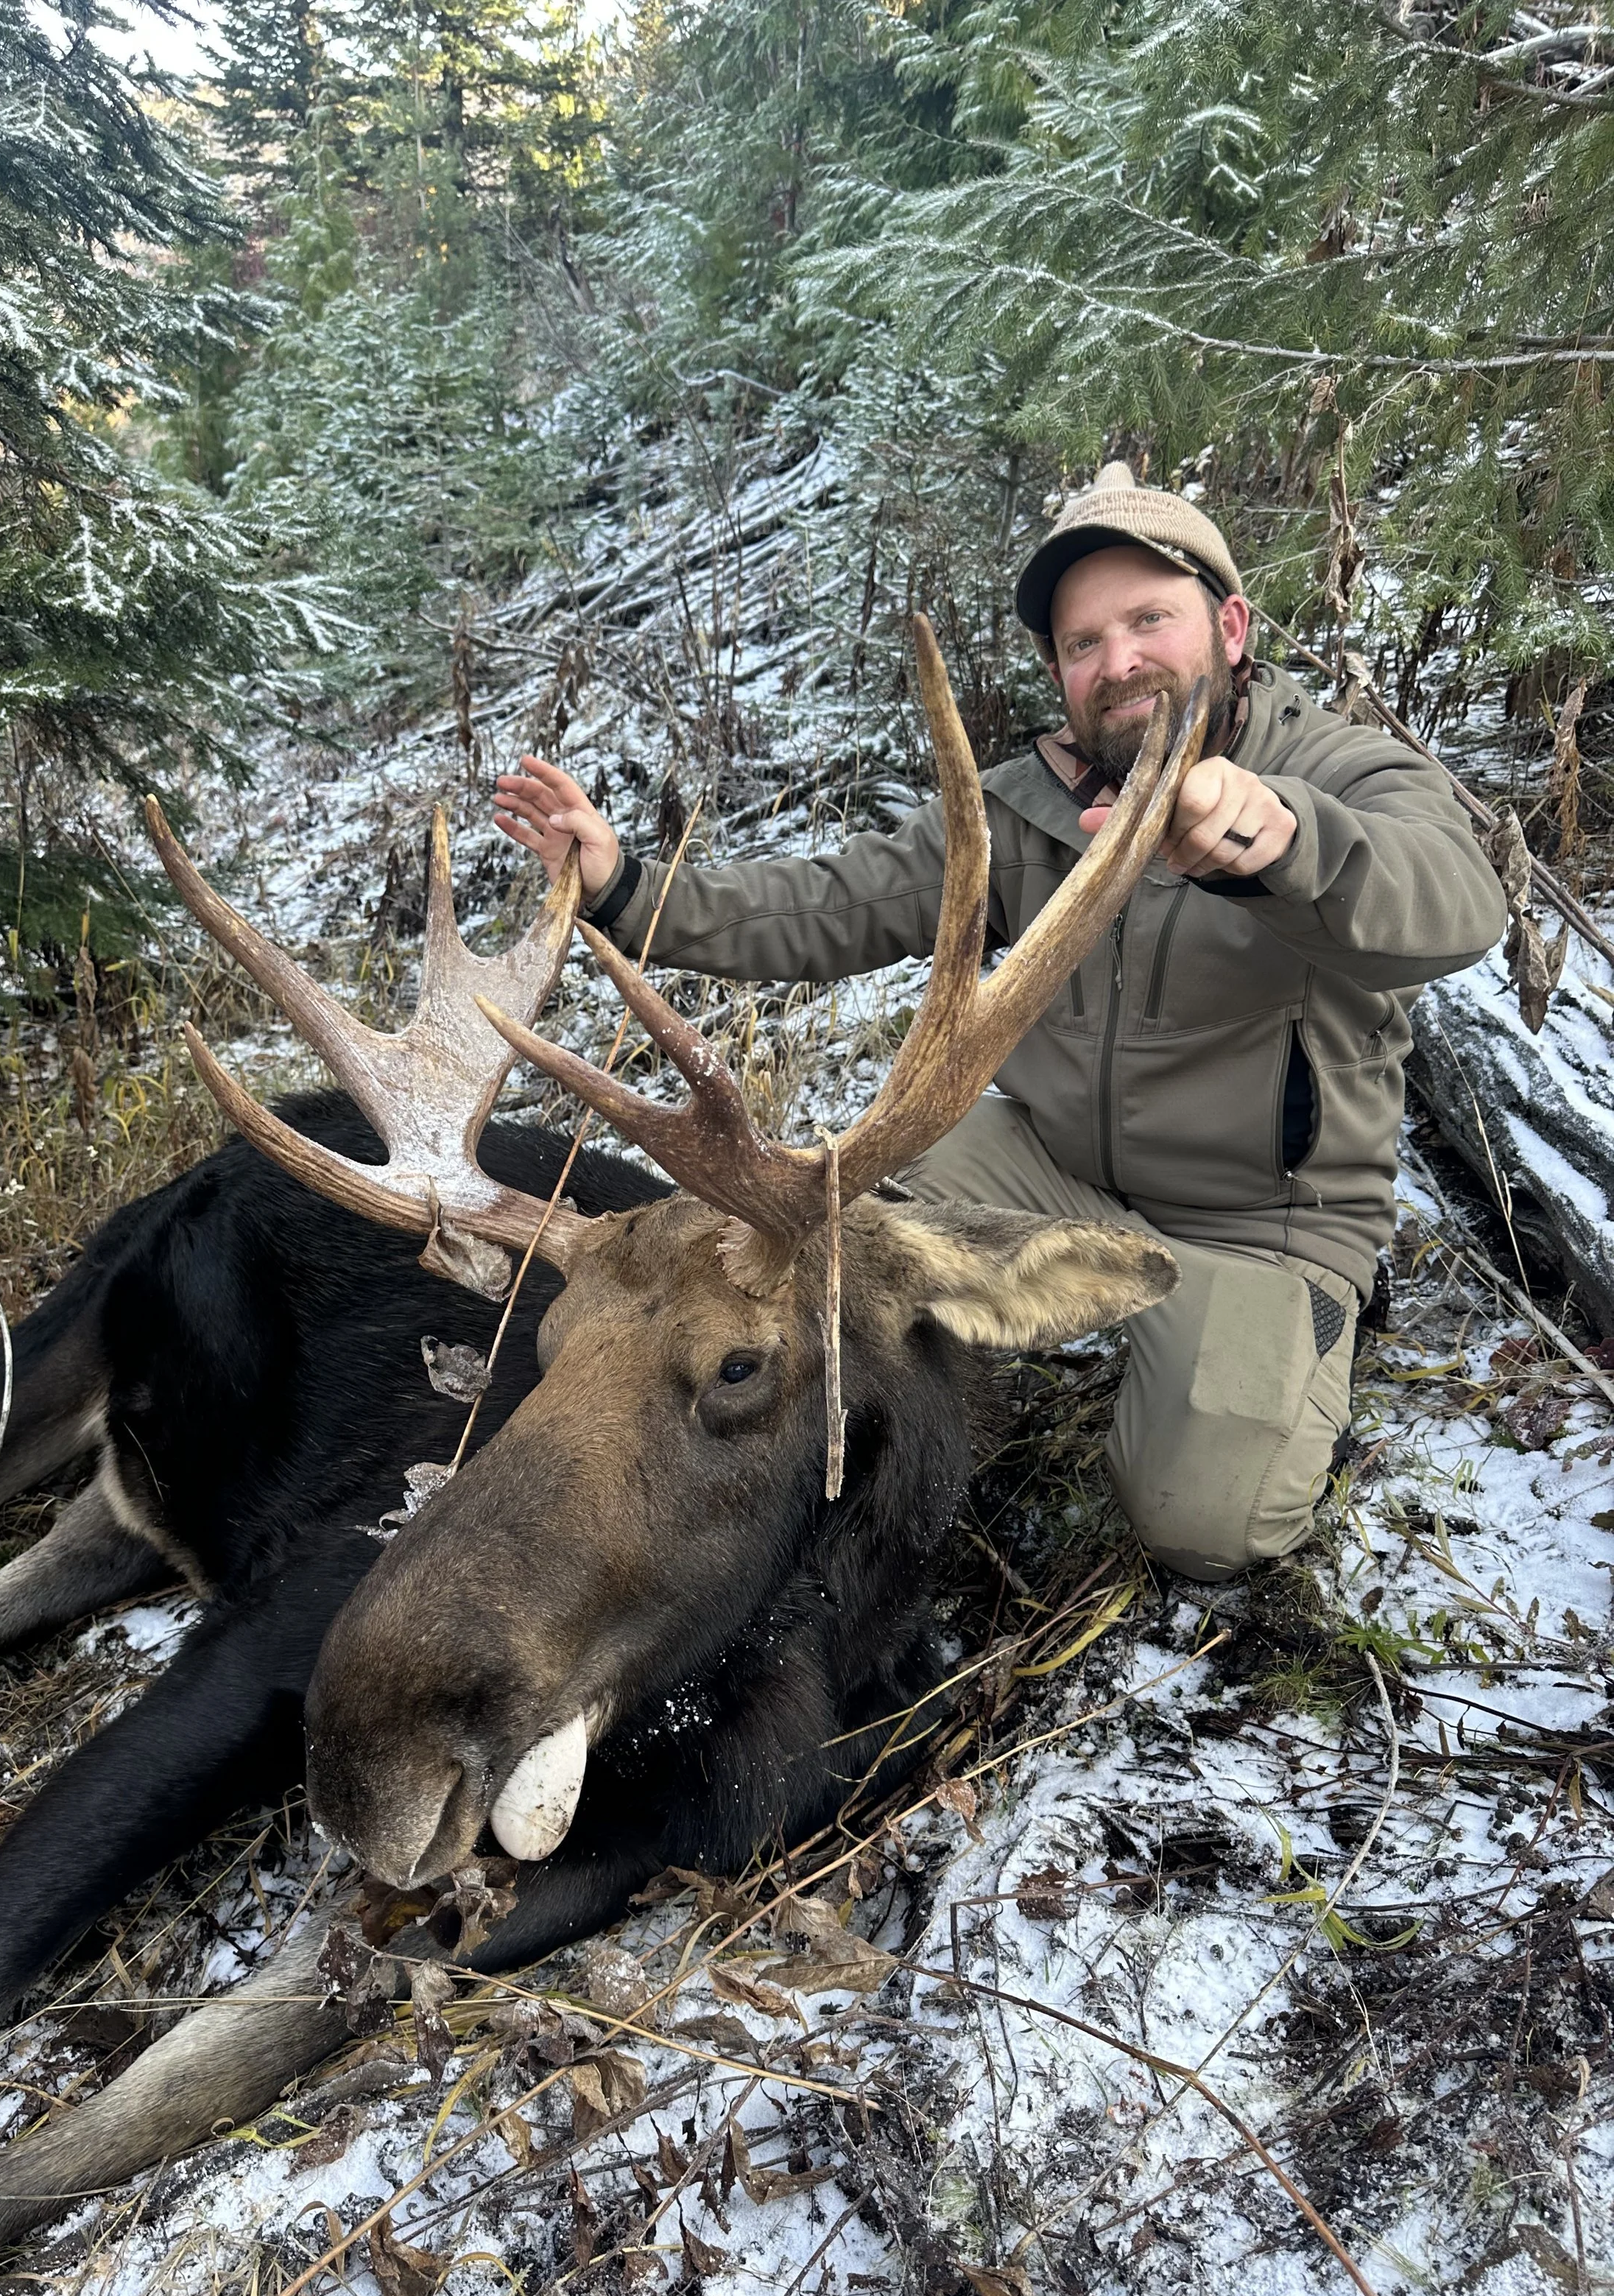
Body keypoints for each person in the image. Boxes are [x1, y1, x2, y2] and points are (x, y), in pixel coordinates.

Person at [491, 464, 1506, 1582]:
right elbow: (828, 904)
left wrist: (1283, 840)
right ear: (1061, 672)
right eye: (1083, 643)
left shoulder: (1338, 771)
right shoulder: (1026, 806)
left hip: (1265, 1223)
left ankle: (1304, 1343)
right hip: (1047, 1163)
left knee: (1202, 1529)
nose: (1118, 662)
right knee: (809, 1252)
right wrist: (629, 887)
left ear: (1228, 624)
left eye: (1148, 621)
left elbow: (1455, 901)